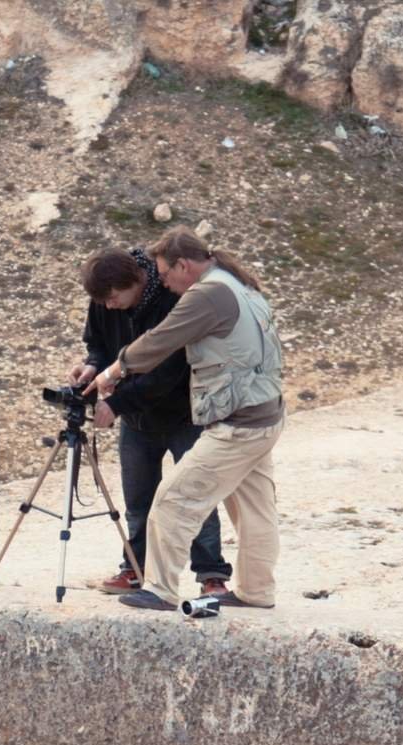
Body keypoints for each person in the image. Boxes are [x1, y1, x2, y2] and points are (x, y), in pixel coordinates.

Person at [91, 227, 283, 614]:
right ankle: (257, 590)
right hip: (265, 415)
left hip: (239, 423)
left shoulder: (208, 294)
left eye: (164, 274)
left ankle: (159, 588)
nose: (163, 282)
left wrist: (112, 372)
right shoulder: (237, 284)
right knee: (254, 510)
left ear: (184, 264)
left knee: (174, 499)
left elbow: (161, 340)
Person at [72, 247, 233, 598]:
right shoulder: (103, 298)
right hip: (135, 417)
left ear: (135, 281)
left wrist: (115, 403)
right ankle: (134, 567)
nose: (110, 306)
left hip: (182, 413)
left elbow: (169, 371)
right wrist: (92, 366)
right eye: (104, 301)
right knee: (139, 499)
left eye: (114, 298)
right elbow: (98, 344)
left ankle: (211, 574)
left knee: (195, 493)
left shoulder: (171, 296)